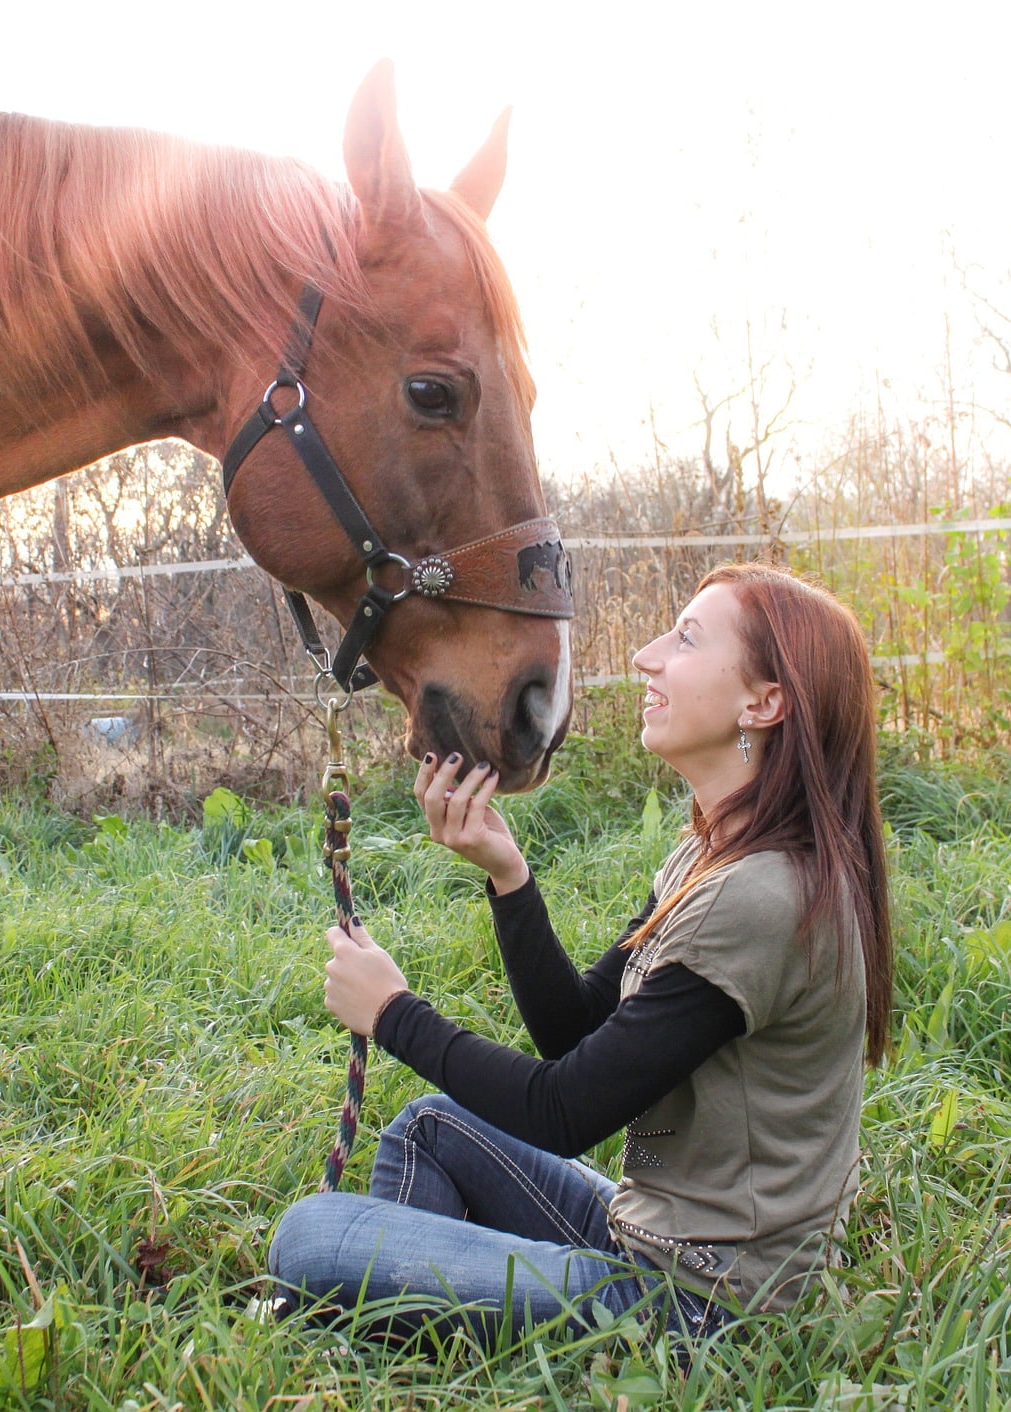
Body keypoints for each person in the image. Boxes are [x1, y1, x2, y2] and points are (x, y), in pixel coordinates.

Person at [266, 563, 894, 1348]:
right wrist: (508, 873)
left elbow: (563, 1111)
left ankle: (395, 1318)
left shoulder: (760, 899)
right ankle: (414, 1336)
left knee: (309, 1240)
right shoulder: (714, 859)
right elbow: (573, 1032)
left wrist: (393, 1014)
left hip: (704, 1312)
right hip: (652, 1242)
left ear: (763, 703)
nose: (648, 656)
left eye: (687, 639)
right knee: (432, 1127)